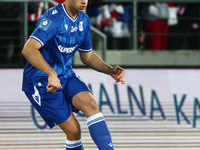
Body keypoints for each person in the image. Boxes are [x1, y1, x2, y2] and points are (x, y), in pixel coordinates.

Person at [21, 0, 125, 150]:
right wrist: (51, 73)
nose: (84, 1)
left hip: (65, 75)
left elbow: (87, 56)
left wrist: (109, 70)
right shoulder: (53, 18)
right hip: (41, 81)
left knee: (91, 104)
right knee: (74, 131)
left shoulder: (84, 20)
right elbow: (28, 49)